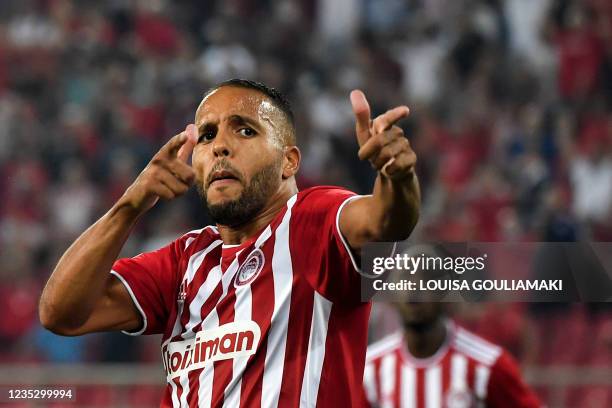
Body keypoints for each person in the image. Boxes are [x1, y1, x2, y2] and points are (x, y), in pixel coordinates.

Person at [39, 79, 420, 407]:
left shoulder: (312, 221)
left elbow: (385, 220)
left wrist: (397, 178)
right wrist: (129, 204)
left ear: (289, 161)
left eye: (245, 130)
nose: (220, 146)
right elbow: (59, 313)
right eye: (207, 135)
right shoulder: (184, 260)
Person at [363, 246, 541, 408]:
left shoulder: (487, 366)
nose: (414, 288)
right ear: (392, 295)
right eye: (405, 279)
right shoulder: (370, 370)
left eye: (427, 279)